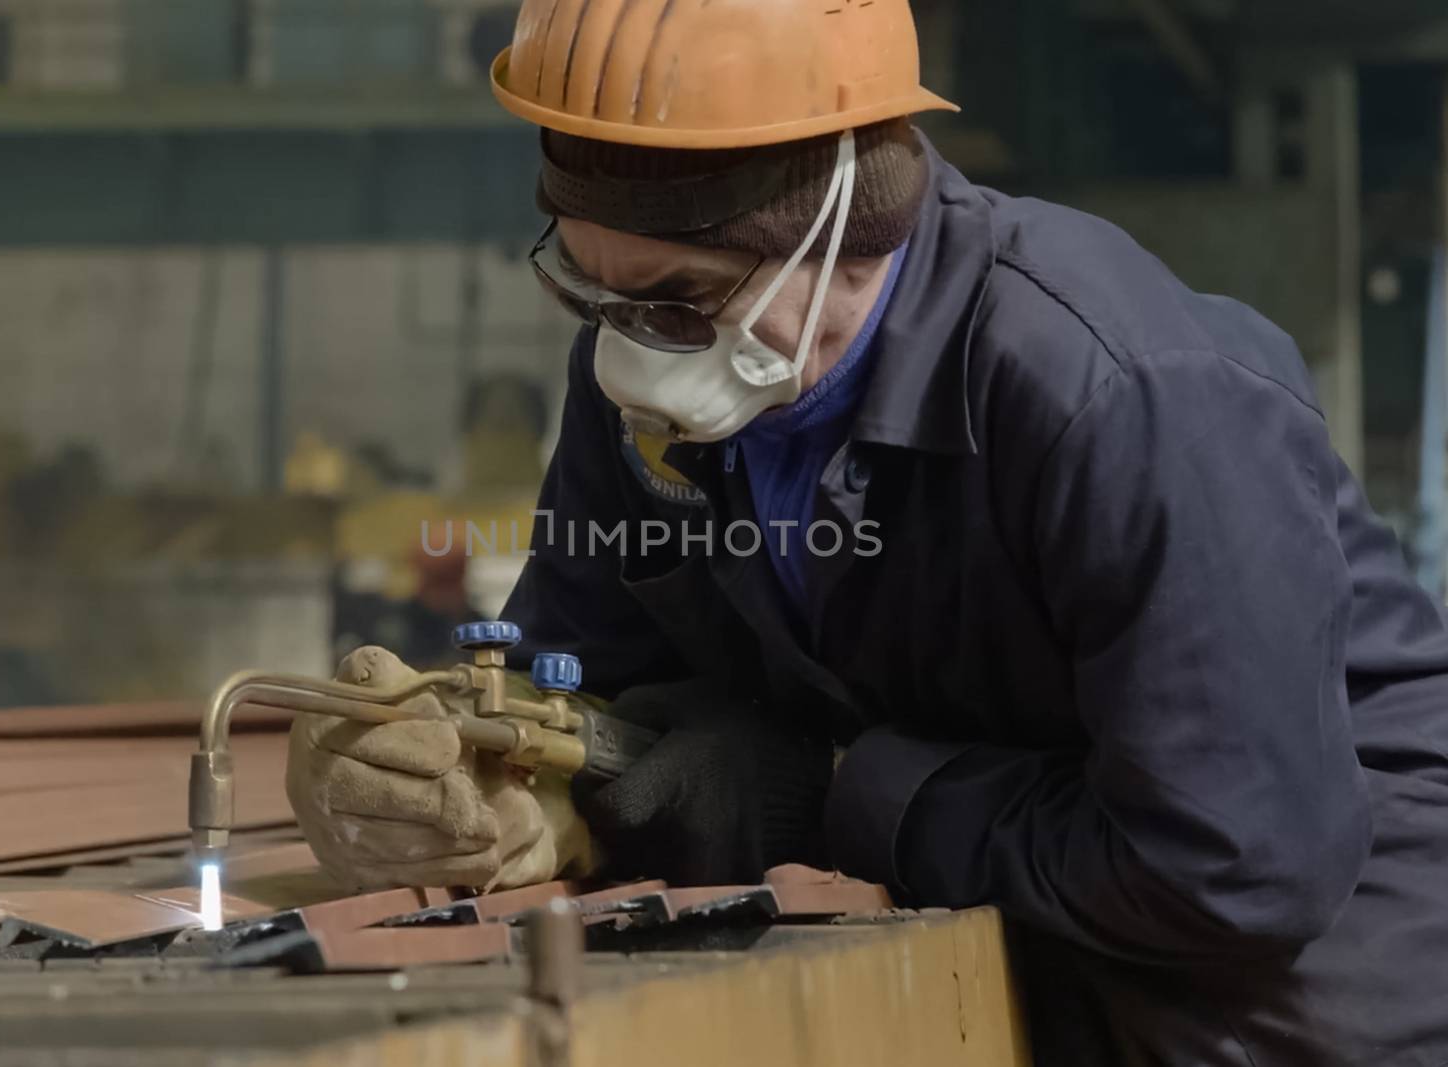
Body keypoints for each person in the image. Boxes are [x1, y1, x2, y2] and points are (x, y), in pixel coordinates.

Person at [285, 3, 1448, 1064]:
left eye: (678, 301)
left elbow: (1234, 865)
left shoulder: (1116, 390)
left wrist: (843, 791)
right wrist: (456, 766)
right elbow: (570, 671)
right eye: (591, 295)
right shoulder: (657, 382)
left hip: (1282, 1008)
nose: (635, 348)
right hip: (983, 951)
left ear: (841, 222)